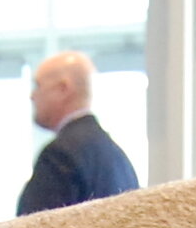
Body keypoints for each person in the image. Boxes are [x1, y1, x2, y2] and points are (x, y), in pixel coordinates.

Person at [14, 50, 138, 216]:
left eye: (38, 85)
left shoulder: (60, 155)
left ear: (63, 89)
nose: (32, 96)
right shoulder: (118, 159)